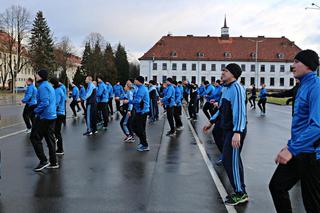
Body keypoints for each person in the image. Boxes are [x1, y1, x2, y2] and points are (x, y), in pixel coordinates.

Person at [269, 49, 320, 212]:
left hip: (312, 154)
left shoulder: (316, 87)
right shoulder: (302, 86)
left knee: (312, 203)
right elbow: (301, 123)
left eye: (297, 62)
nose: (293, 65)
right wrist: (289, 145)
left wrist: (292, 149)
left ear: (309, 66)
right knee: (277, 186)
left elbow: (317, 126)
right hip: (298, 150)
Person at [203, 63, 248, 205]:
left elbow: (240, 112)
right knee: (230, 160)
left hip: (235, 130)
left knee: (232, 161)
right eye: (223, 70)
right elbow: (222, 109)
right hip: (228, 129)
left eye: (225, 71)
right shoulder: (225, 89)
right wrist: (211, 121)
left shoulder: (237, 89)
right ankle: (239, 190)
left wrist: (237, 132)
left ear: (233, 74)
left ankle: (241, 193)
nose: (222, 73)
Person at [30, 69, 58, 171]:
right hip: (51, 116)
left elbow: (45, 102)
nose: (35, 76)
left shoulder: (42, 87)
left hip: (45, 117)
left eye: (37, 74)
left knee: (34, 138)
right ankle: (54, 162)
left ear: (41, 76)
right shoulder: (48, 86)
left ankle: (43, 161)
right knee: (49, 139)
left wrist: (35, 111)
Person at [132, 76, 150, 152]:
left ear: (138, 81)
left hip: (142, 112)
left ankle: (145, 144)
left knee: (138, 127)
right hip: (140, 111)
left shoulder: (142, 89)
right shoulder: (140, 88)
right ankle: (143, 142)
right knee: (137, 127)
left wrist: (128, 101)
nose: (134, 81)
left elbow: (137, 100)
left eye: (135, 80)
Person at [49, 77, 66, 155]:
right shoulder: (58, 90)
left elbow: (56, 103)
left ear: (53, 83)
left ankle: (60, 149)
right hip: (59, 113)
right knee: (56, 131)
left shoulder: (57, 91)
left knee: (57, 132)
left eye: (50, 83)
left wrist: (51, 111)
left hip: (58, 113)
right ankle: (59, 148)